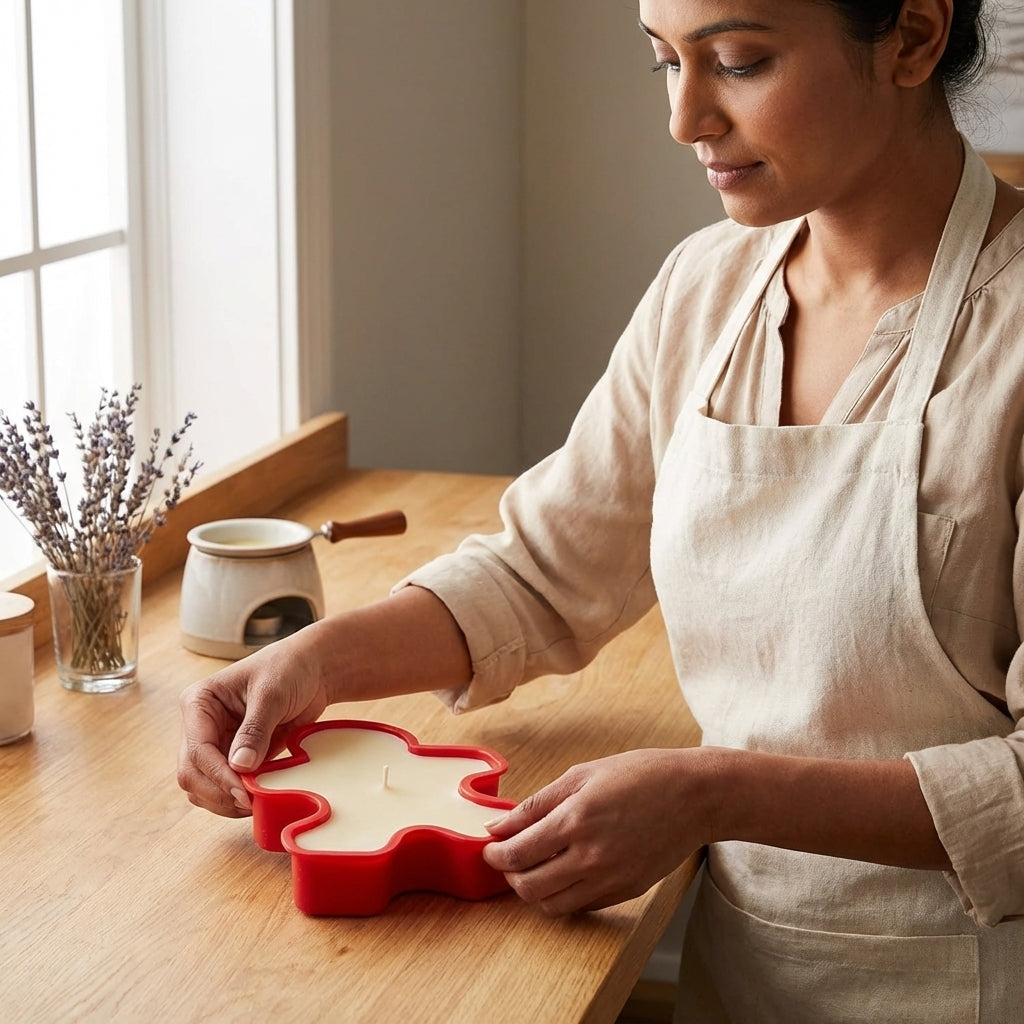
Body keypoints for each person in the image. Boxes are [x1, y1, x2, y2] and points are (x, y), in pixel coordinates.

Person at [178, 1, 1024, 1019]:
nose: (685, 117)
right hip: (745, 971)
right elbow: (544, 574)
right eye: (663, 61)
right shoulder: (706, 292)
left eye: (740, 61)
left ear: (914, 38)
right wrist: (314, 660)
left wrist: (715, 791)